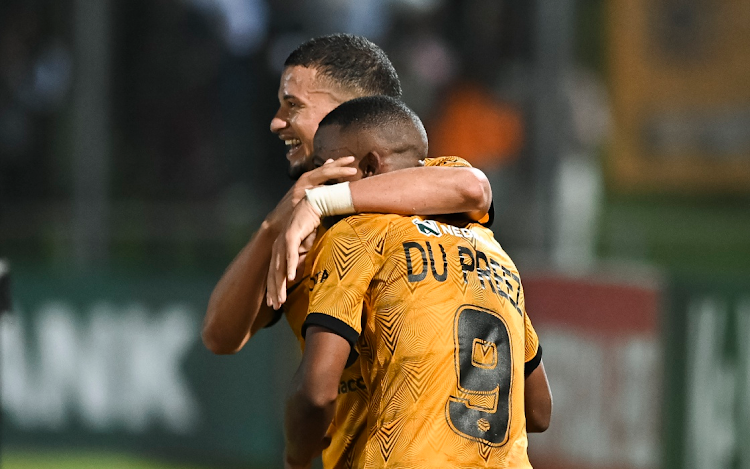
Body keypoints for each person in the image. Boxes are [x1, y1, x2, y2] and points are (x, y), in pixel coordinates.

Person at [201, 34, 493, 468]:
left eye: (293, 105)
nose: (277, 122)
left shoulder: (431, 186)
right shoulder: (298, 231)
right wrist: (273, 225)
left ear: (347, 112)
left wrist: (322, 202)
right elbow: (221, 336)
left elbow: (473, 186)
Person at [277, 95, 551, 469]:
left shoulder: (357, 235)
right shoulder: (494, 254)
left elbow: (316, 395)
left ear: (370, 166)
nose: (319, 184)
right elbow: (538, 411)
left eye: (328, 169)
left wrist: (296, 455)